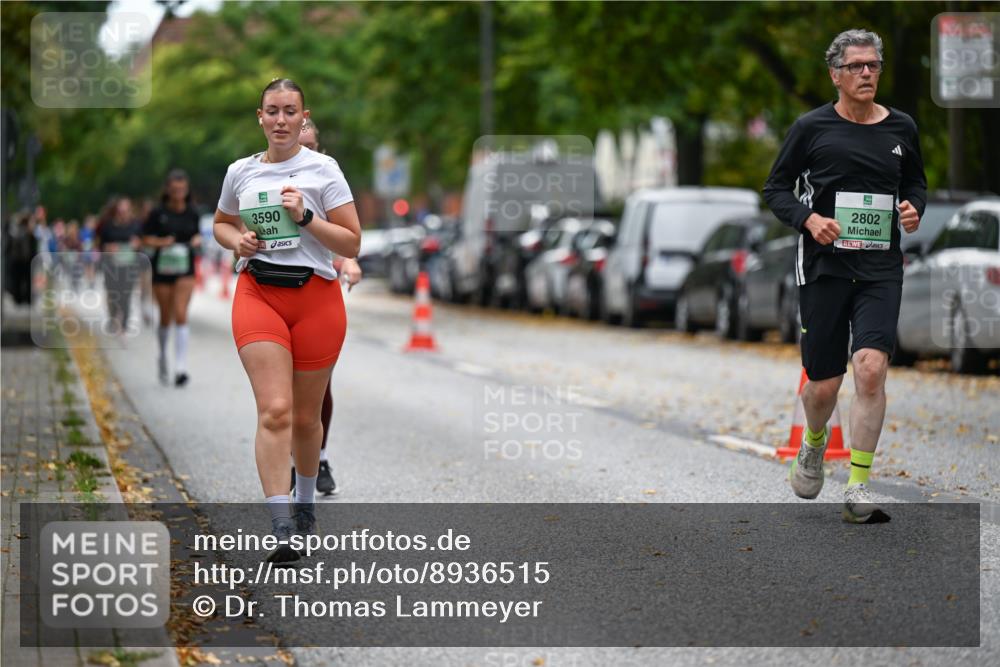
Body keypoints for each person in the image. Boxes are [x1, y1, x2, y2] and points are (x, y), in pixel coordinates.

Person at [763, 29, 926, 524]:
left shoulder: (901, 128)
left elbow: (915, 183)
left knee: (871, 370)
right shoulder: (811, 128)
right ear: (835, 75)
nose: (867, 73)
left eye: (873, 65)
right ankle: (814, 441)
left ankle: (858, 485)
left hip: (879, 267)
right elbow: (776, 189)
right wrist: (809, 220)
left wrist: (913, 208)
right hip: (824, 266)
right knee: (823, 385)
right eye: (856, 66)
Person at [213, 78, 361, 562]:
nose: (281, 120)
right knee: (275, 411)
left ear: (303, 117)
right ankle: (282, 527)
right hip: (259, 292)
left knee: (304, 418)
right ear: (260, 117)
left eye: (290, 111)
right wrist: (238, 241)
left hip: (316, 298)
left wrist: (306, 218)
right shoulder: (240, 171)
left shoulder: (324, 170)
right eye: (272, 111)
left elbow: (352, 242)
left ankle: (305, 505)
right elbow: (222, 223)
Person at [288, 117, 363, 496]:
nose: (305, 152)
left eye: (311, 146)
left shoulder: (326, 177)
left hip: (318, 290)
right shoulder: (268, 178)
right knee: (282, 390)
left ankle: (319, 457)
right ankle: (292, 462)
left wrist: (349, 263)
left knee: (318, 387)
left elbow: (346, 234)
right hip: (276, 292)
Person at [143, 169, 202, 387]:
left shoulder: (193, 212)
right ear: (168, 190)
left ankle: (180, 368)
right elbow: (144, 239)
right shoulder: (157, 213)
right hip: (163, 269)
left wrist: (196, 240)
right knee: (165, 317)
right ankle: (162, 356)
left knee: (181, 313)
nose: (179, 193)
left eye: (182, 189)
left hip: (185, 268)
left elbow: (198, 234)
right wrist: (161, 243)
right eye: (175, 189)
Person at [97, 196, 144, 337]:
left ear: (130, 210)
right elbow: (100, 245)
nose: (123, 213)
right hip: (112, 266)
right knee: (113, 293)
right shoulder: (108, 226)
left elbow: (142, 243)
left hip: (130, 266)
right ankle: (113, 318)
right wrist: (108, 247)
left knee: (126, 294)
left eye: (126, 210)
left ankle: (124, 324)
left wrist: (138, 244)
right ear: (116, 211)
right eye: (121, 211)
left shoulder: (136, 225)